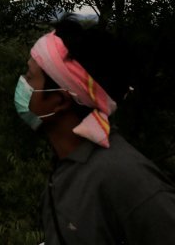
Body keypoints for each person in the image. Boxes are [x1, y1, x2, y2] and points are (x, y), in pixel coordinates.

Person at [14, 16, 175, 244]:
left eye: (30, 78)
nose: (22, 84)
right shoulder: (69, 165)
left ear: (59, 101)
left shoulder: (126, 180)